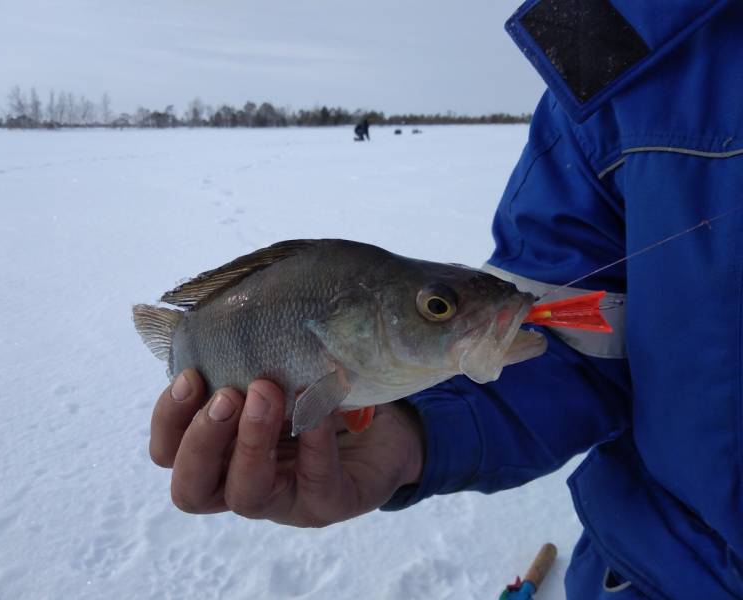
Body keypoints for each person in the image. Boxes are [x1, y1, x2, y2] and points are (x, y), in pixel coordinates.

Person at [146, 2, 743, 598]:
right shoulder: (622, 46)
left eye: (439, 307)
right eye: (438, 307)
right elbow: (568, 336)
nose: (455, 314)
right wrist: (412, 432)